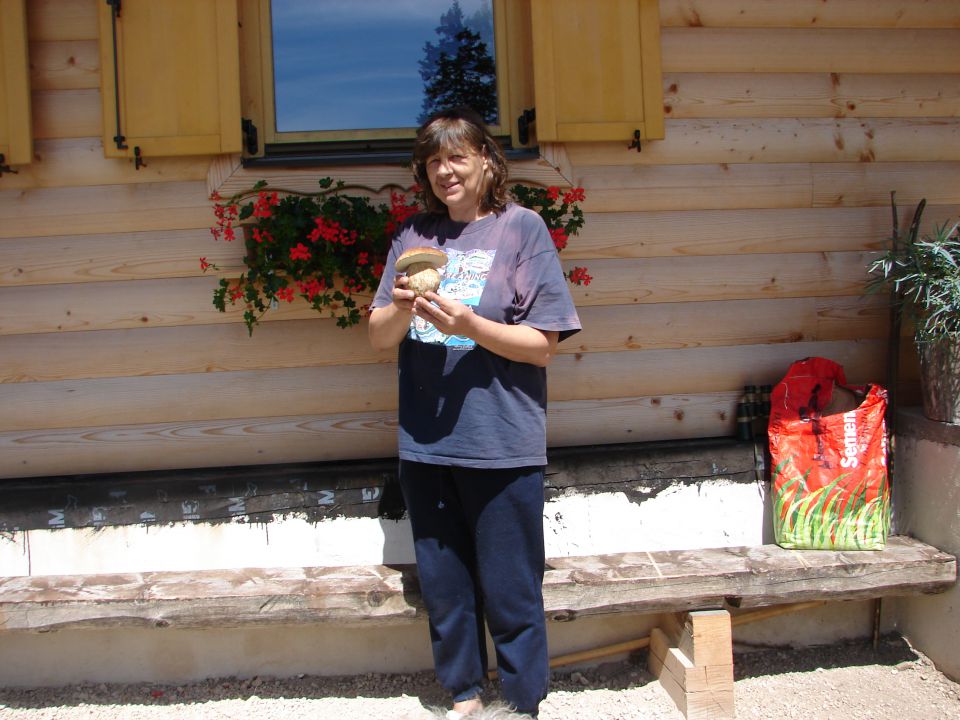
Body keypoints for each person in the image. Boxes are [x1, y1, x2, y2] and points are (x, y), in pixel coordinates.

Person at [368, 106, 581, 718]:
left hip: (502, 441)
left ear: (487, 160)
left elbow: (542, 346)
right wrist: (403, 306)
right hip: (427, 442)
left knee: (512, 588)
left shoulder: (522, 230)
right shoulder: (414, 236)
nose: (445, 171)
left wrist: (469, 326)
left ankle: (521, 703)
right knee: (445, 587)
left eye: (457, 156)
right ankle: (463, 695)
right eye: (433, 161)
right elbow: (379, 337)